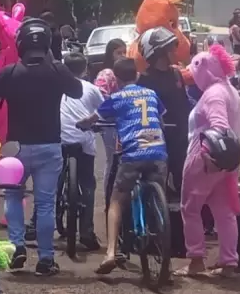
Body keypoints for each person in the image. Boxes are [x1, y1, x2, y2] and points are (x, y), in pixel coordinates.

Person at [0, 18, 82, 276]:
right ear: (46, 43)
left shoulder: (11, 72)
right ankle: (46, 258)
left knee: (13, 196)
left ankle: (16, 248)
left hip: (15, 148)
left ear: (21, 44)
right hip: (49, 145)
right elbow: (78, 91)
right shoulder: (57, 70)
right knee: (45, 204)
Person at [76, 57, 168, 275]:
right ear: (136, 75)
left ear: (115, 79)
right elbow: (161, 120)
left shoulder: (116, 98)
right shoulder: (151, 93)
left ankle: (110, 252)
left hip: (133, 153)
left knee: (116, 200)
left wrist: (83, 123)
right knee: (158, 198)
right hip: (157, 152)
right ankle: (165, 254)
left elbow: (93, 118)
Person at [175, 44, 240, 277]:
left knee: (190, 209)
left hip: (205, 157)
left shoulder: (213, 94)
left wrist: (206, 156)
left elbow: (219, 126)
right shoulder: (229, 89)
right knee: (224, 212)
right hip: (227, 161)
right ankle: (228, 261)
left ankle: (195, 260)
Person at [137, 27, 191, 197]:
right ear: (158, 53)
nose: (174, 51)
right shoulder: (144, 80)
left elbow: (184, 103)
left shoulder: (176, 73)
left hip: (180, 137)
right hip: (156, 138)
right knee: (154, 185)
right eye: (169, 48)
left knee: (184, 183)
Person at [60, 52, 104, 250]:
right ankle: (87, 231)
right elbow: (103, 112)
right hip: (83, 140)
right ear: (85, 69)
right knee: (87, 183)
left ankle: (38, 221)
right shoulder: (92, 89)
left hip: (58, 139)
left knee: (53, 180)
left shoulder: (56, 86)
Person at [94, 38, 128, 200]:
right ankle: (109, 197)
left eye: (124, 52)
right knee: (113, 160)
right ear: (110, 54)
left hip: (126, 122)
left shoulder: (127, 71)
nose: (122, 56)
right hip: (109, 124)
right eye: (118, 53)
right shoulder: (107, 74)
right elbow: (99, 95)